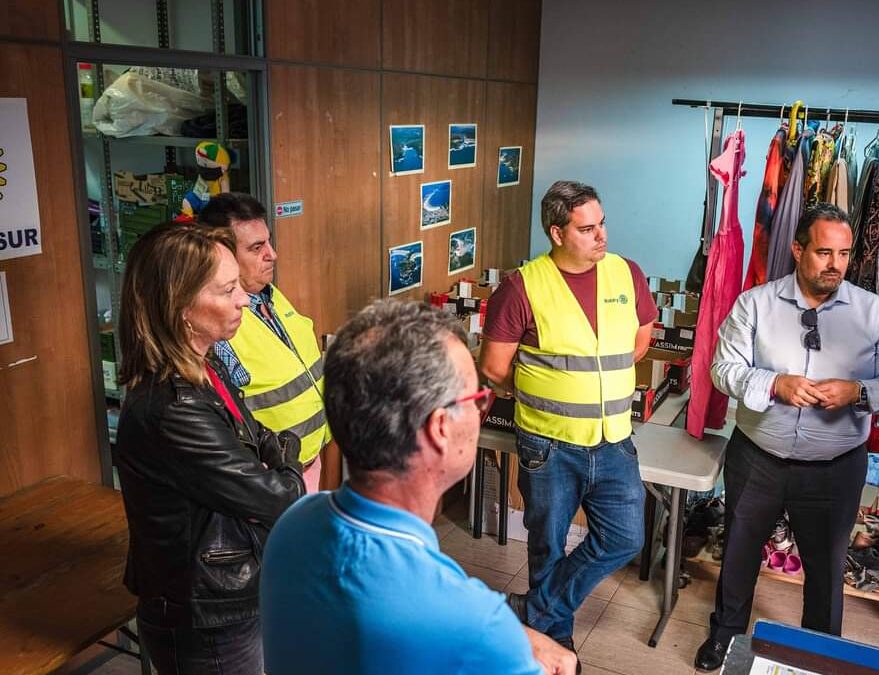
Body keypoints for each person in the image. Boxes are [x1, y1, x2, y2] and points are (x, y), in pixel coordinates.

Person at [260, 300, 576, 675]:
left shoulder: (294, 524)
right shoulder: (480, 631)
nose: (480, 414)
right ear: (441, 427)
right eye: (478, 400)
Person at [695, 203, 879, 671]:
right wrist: (774, 384)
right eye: (823, 252)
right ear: (797, 250)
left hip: (835, 468)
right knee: (737, 555)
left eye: (843, 253)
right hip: (759, 457)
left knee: (826, 571)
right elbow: (722, 370)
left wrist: (858, 391)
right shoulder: (754, 303)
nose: (835, 264)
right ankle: (726, 638)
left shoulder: (874, 314)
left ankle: (817, 658)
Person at [114, 223, 306, 675]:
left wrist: (276, 460)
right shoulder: (171, 408)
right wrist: (284, 470)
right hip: (208, 616)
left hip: (232, 593)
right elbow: (280, 498)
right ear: (180, 307)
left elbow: (267, 439)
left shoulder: (209, 361)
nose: (243, 299)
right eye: (227, 290)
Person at [480, 180, 658, 665]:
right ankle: (558, 650)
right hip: (550, 443)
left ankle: (535, 612)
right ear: (557, 232)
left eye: (601, 224)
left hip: (615, 439)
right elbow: (495, 367)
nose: (601, 236)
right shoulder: (522, 286)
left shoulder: (627, 273)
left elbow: (640, 340)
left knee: (625, 537)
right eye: (587, 228)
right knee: (548, 548)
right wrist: (546, 389)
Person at [200, 192, 341, 493]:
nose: (272, 254)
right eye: (256, 248)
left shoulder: (271, 295)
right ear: (223, 256)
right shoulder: (223, 329)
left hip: (310, 466)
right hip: (271, 484)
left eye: (268, 242)